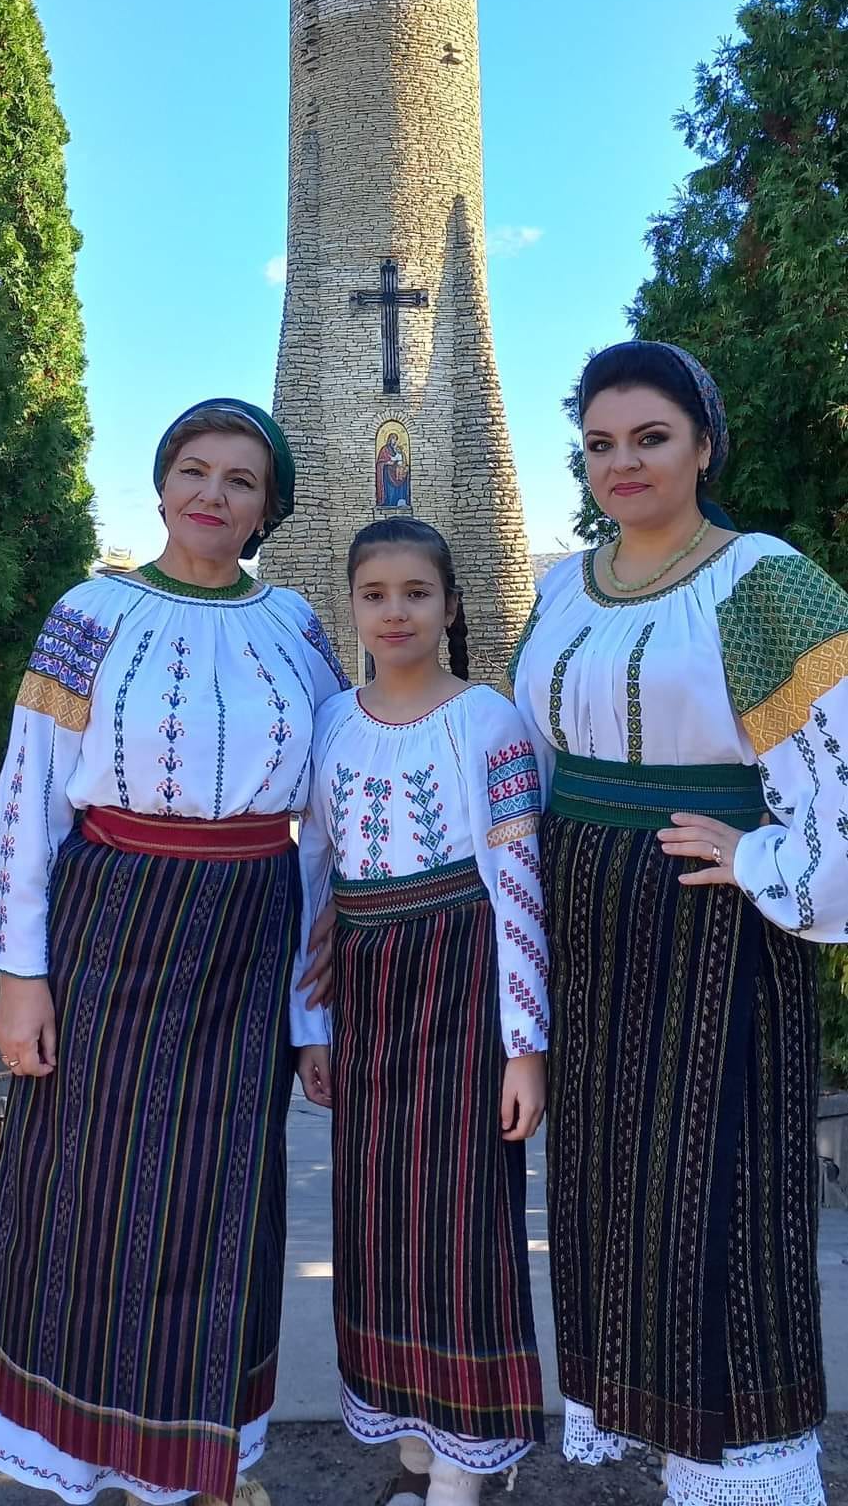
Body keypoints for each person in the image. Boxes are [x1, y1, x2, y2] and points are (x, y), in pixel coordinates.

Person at [0, 398, 349, 1506]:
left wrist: (314, 1007)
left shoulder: (297, 627)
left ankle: (196, 1459)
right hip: (108, 924)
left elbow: (328, 809)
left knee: (224, 1194)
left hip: (249, 931)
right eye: (193, 469)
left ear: (269, 508)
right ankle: (76, 1452)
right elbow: (31, 790)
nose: (212, 493)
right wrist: (20, 976)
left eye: (241, 479)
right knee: (85, 1187)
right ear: (164, 482)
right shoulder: (90, 612)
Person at [511, 340, 848, 1506]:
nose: (623, 462)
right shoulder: (567, 586)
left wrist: (759, 854)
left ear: (704, 443)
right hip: (588, 933)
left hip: (714, 936)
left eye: (650, 437)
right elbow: (534, 754)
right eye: (600, 443)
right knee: (618, 1203)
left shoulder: (763, 581)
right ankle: (670, 1456)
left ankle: (747, 1475)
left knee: (722, 1207)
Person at [291, 517, 548, 1506]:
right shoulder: (331, 721)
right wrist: (312, 1030)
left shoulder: (489, 721)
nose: (394, 612)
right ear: (352, 605)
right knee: (375, 1219)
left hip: (461, 983)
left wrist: (523, 1046)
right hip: (364, 991)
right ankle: (410, 1435)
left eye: (415, 592)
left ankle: (465, 1463)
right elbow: (315, 878)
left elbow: (517, 886)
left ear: (451, 605)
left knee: (460, 1219)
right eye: (374, 594)